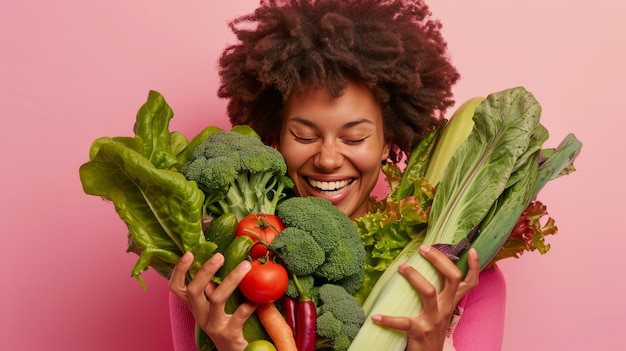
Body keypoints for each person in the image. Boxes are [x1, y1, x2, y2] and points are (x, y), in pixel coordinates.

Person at [168, 1, 506, 350]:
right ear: (275, 139)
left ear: (388, 142)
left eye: (355, 137)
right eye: (304, 135)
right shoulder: (210, 280)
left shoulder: (469, 282)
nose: (328, 160)